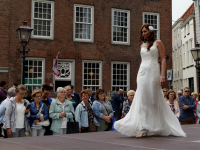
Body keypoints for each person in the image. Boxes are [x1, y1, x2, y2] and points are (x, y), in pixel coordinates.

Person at [114, 24, 186, 138]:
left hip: (153, 72)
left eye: (145, 31)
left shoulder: (158, 42)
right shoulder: (142, 45)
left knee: (153, 100)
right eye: (142, 32)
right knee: (142, 99)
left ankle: (159, 125)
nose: (143, 33)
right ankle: (143, 128)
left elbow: (163, 59)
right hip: (142, 73)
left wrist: (163, 76)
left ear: (151, 32)